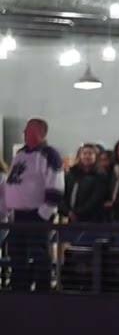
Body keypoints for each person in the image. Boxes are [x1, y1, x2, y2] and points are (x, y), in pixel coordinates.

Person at [3, 119, 64, 292]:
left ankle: (42, 291)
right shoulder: (21, 154)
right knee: (17, 255)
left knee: (39, 256)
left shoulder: (49, 155)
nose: (24, 132)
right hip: (17, 215)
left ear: (39, 132)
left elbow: (56, 186)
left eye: (28, 130)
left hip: (36, 215)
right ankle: (19, 288)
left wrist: (43, 213)